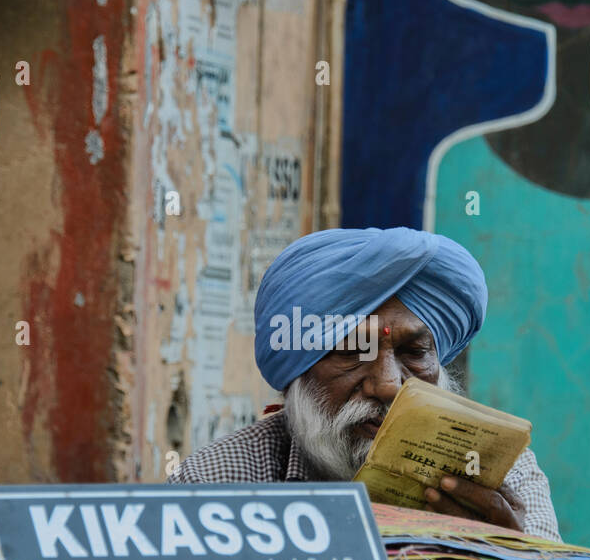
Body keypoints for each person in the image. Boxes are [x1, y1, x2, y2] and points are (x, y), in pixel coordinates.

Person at [167, 227, 561, 540]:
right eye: (352, 351)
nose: (389, 385)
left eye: (414, 352)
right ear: (297, 376)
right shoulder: (217, 483)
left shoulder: (503, 474)